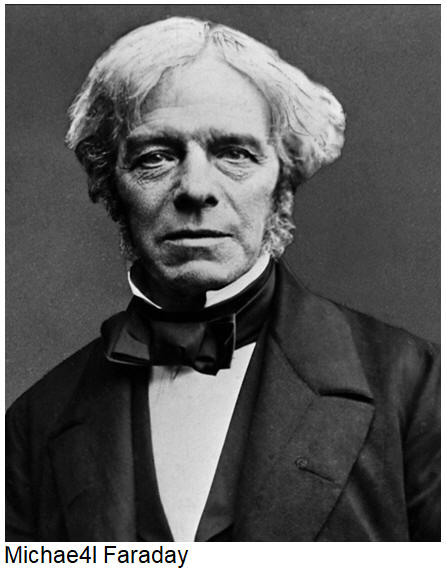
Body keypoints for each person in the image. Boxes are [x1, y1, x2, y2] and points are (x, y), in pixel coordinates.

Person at [6, 17, 440, 542]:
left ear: (281, 180)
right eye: (155, 157)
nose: (196, 188)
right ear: (110, 181)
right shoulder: (34, 424)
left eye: (235, 153)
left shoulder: (417, 388)